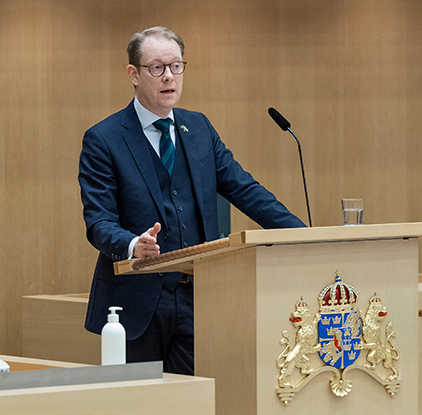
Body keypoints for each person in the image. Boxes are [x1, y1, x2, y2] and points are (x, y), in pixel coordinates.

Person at [78, 26, 305, 375]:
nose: (169, 77)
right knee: (141, 405)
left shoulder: (198, 129)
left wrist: (303, 235)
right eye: (157, 68)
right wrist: (132, 243)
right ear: (133, 74)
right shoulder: (104, 139)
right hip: (136, 302)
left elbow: (245, 190)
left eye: (176, 66)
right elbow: (99, 222)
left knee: (198, 401)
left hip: (198, 297)